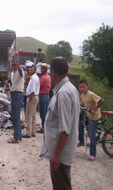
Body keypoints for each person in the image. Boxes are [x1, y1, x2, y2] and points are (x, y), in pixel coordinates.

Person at [40, 57, 80, 190]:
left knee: (61, 186)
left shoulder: (63, 93)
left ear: (53, 71)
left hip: (61, 154)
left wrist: (57, 155)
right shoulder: (70, 88)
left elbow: (65, 129)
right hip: (61, 151)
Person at [78, 79, 104, 161]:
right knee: (80, 123)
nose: (82, 88)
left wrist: (95, 109)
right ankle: (81, 141)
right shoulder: (82, 95)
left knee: (91, 135)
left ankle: (93, 155)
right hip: (88, 115)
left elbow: (101, 101)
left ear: (87, 87)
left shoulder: (91, 94)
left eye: (83, 87)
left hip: (94, 116)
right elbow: (82, 105)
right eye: (80, 87)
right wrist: (80, 114)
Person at [7, 59, 25, 143]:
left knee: (16, 117)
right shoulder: (13, 73)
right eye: (12, 65)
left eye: (15, 65)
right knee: (15, 116)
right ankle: (18, 135)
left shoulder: (20, 71)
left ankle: (16, 137)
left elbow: (21, 72)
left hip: (17, 95)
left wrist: (19, 67)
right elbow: (13, 84)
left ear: (17, 65)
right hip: (14, 94)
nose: (13, 66)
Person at [22, 62, 39, 138]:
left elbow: (33, 91)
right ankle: (33, 131)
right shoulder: (34, 78)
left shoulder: (34, 78)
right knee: (33, 115)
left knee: (28, 115)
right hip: (34, 97)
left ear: (35, 70)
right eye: (29, 69)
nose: (30, 70)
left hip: (32, 96)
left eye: (32, 70)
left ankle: (28, 132)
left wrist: (29, 100)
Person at [37, 63, 51, 133]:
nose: (41, 70)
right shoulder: (48, 77)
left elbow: (38, 86)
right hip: (47, 96)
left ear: (45, 69)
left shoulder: (43, 78)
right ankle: (46, 127)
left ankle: (43, 128)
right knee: (46, 113)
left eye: (42, 68)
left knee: (42, 113)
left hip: (42, 96)